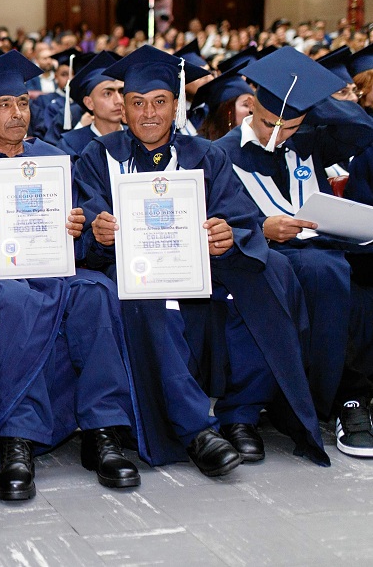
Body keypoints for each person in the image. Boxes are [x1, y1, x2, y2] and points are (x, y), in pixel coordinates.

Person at [74, 45, 328, 474]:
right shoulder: (98, 158)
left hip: (202, 264)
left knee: (272, 270)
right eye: (137, 103)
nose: (148, 113)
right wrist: (98, 237)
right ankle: (197, 430)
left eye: (160, 102)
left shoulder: (206, 155)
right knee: (141, 291)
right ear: (124, 108)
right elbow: (87, 235)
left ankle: (242, 413)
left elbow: (241, 219)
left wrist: (229, 236)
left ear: (177, 105)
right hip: (136, 269)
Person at [0, 51, 140, 500]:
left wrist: (78, 230)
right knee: (15, 302)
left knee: (97, 291)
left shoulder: (53, 159)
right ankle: (16, 439)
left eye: (23, 103)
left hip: (54, 272)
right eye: (3, 105)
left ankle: (103, 430)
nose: (16, 114)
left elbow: (82, 235)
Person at [213, 47, 373, 455]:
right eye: (270, 123)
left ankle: (348, 399)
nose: (277, 135)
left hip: (321, 250)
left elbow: (361, 127)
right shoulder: (221, 152)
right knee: (317, 272)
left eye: (290, 127)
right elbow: (215, 218)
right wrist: (262, 228)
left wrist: (309, 104)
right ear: (250, 107)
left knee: (353, 277)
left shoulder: (308, 142)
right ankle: (303, 403)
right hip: (262, 255)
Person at [57, 52, 125, 160]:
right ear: (89, 103)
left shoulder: (137, 139)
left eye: (121, 92)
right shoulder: (71, 144)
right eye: (107, 93)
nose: (119, 100)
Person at [194, 65, 255, 141]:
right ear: (226, 110)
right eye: (245, 105)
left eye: (254, 105)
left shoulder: (254, 144)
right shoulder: (199, 147)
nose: (252, 111)